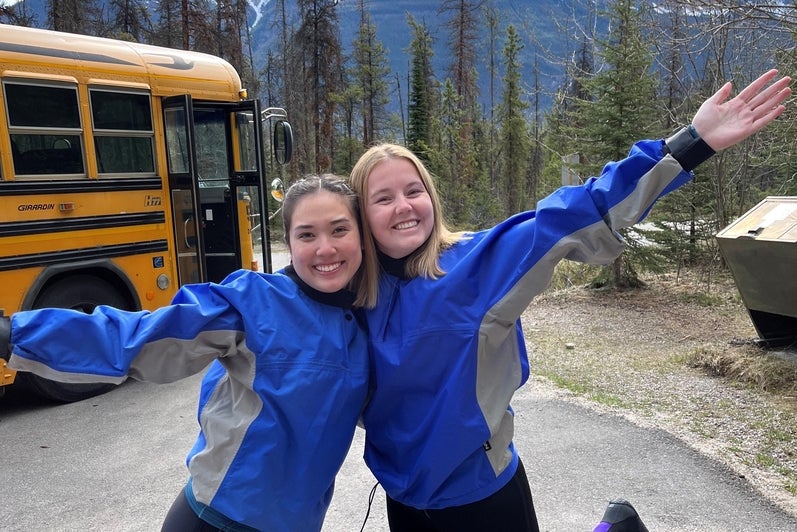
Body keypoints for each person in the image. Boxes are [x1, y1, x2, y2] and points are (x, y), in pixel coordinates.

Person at [347, 69, 792, 532]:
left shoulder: (478, 264)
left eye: (414, 190)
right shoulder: (353, 297)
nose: (403, 206)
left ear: (431, 199)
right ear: (362, 214)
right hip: (402, 500)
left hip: (483, 497)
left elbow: (576, 211)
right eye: (383, 198)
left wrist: (690, 144)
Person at [1, 174, 378, 532]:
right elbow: (139, 337)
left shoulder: (370, 322)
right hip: (218, 518)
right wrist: (15, 335)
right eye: (307, 234)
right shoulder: (255, 302)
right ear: (290, 243)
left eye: (339, 229)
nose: (325, 248)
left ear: (362, 237)